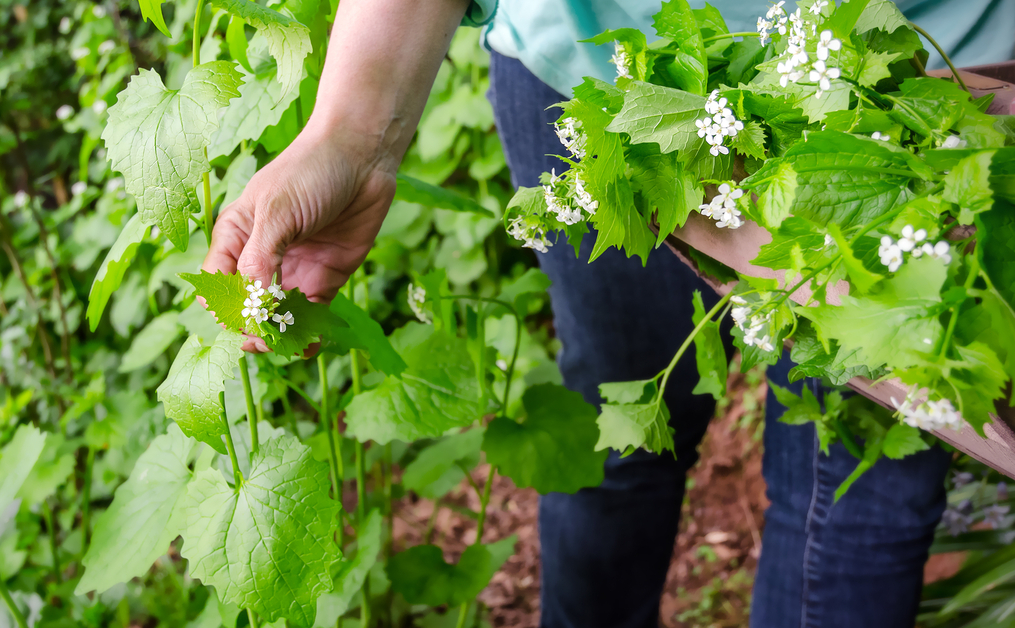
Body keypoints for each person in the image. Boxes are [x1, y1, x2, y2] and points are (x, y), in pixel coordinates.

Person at [201, 1, 1015, 626]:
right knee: (621, 434)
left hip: (916, 91)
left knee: (863, 486)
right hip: (602, 79)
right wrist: (352, 134)